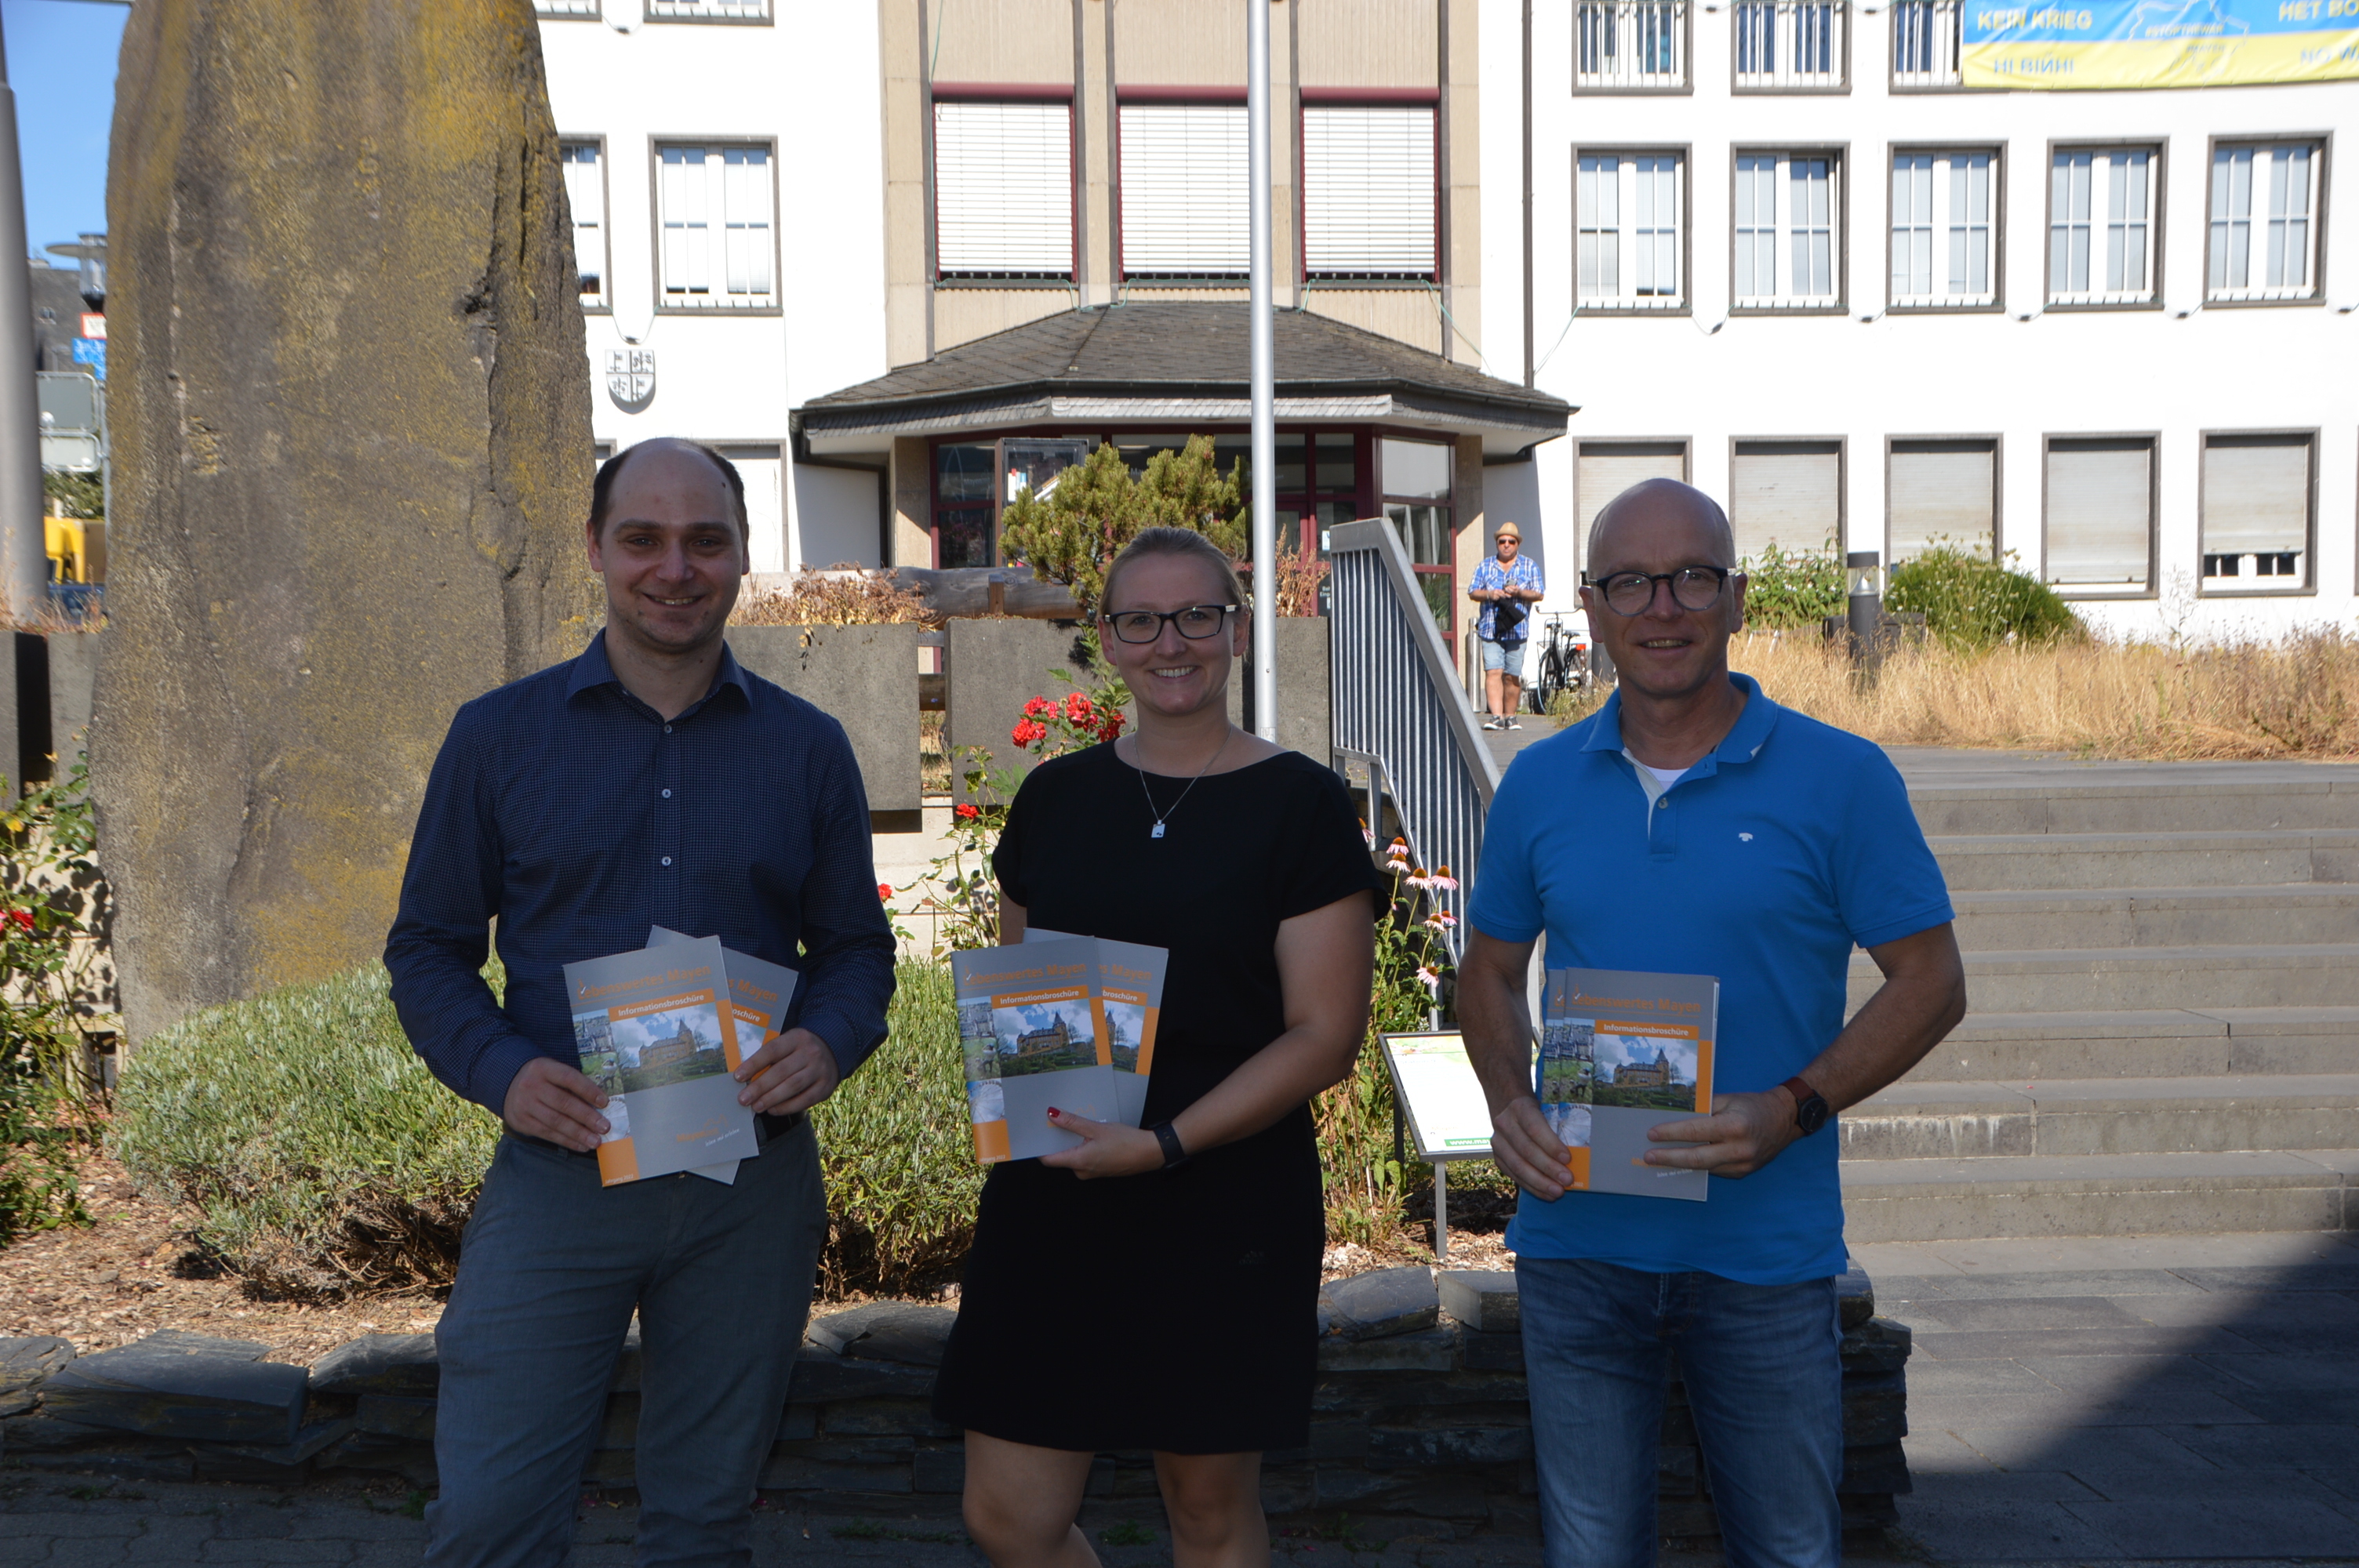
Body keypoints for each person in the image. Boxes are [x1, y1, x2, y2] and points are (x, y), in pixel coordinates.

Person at [384, 438, 897, 1568]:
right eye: (644, 539)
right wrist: (503, 1073)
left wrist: (826, 1040)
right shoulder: (496, 737)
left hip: (749, 1188)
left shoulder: (807, 750)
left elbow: (858, 950)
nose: (675, 568)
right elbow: (426, 949)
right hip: (561, 1176)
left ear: (743, 553)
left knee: (702, 1525)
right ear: (595, 549)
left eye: (705, 540)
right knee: (491, 1521)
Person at [1455, 479, 1966, 1568]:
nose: (1662, 607)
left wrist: (1794, 1105)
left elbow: (1931, 980)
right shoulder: (1538, 784)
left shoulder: (1841, 777)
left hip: (1763, 1257)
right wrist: (1508, 1100)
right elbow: (1487, 974)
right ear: (1590, 606)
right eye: (1630, 582)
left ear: (1734, 599)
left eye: (1691, 577)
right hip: (1578, 1245)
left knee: (1788, 1552)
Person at [932, 527, 1381, 1568]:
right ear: (1107, 639)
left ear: (1237, 630)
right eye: (1140, 619)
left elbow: (1325, 1035)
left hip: (1222, 1191)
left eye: (1196, 616)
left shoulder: (1301, 805)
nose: (1169, 642)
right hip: (1057, 1190)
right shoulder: (1055, 799)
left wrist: (1165, 1142)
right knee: (1006, 1516)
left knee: (1207, 1512)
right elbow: (1024, 990)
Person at [1467, 521, 1545, 731]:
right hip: (1490, 628)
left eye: (1511, 541)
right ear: (1497, 543)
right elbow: (1473, 591)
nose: (1507, 545)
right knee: (1493, 672)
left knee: (1512, 676)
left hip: (1517, 629)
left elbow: (1539, 593)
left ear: (1518, 543)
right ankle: (1496, 717)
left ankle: (1510, 716)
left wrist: (1519, 592)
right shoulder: (1485, 566)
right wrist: (1490, 594)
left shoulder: (1529, 566)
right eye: (1502, 541)